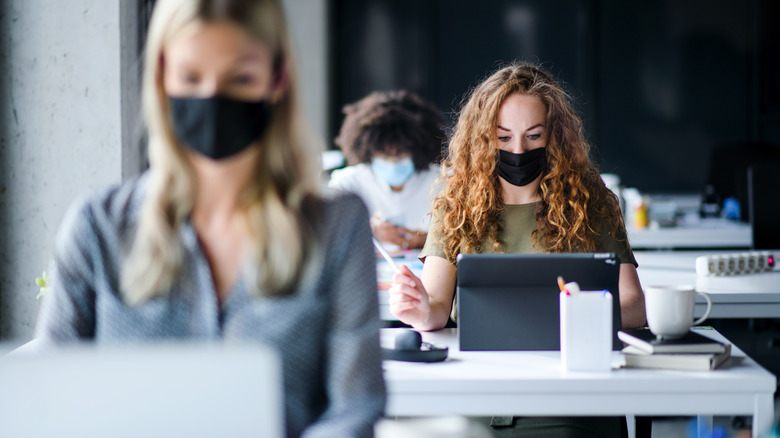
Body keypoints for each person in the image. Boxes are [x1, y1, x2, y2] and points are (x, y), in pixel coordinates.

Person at [34, 1, 385, 436]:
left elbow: (354, 409)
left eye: (240, 78)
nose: (213, 98)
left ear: (277, 79)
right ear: (162, 76)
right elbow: (48, 403)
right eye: (191, 77)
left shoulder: (337, 227)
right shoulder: (97, 228)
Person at [388, 62, 646, 437]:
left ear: (554, 137)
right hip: (475, 395)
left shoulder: (594, 203)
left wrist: (578, 318)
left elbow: (634, 308)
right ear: (483, 137)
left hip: (569, 399)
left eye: (533, 136)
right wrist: (420, 308)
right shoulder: (456, 204)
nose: (519, 149)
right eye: (503, 137)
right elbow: (436, 309)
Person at [329, 90, 446, 250]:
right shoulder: (347, 182)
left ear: (418, 149)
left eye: (401, 153)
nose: (393, 162)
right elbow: (326, 234)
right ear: (368, 150)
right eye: (384, 154)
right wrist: (369, 231)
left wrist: (426, 240)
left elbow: (464, 239)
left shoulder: (443, 181)